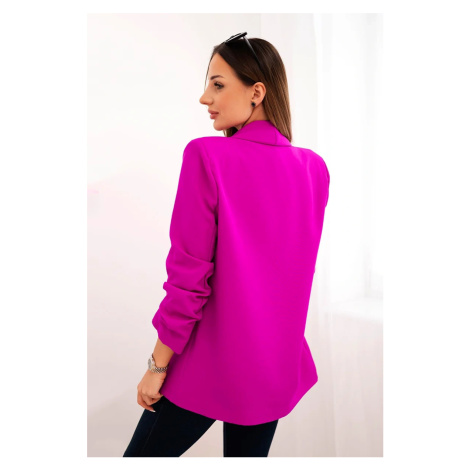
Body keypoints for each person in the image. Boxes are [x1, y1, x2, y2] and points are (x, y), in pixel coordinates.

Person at [123, 32, 330, 458]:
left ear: (257, 92)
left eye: (218, 84)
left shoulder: (207, 156)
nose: (205, 98)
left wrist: (157, 366)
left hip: (207, 365)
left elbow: (188, 278)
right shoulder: (314, 169)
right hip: (271, 369)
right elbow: (295, 277)